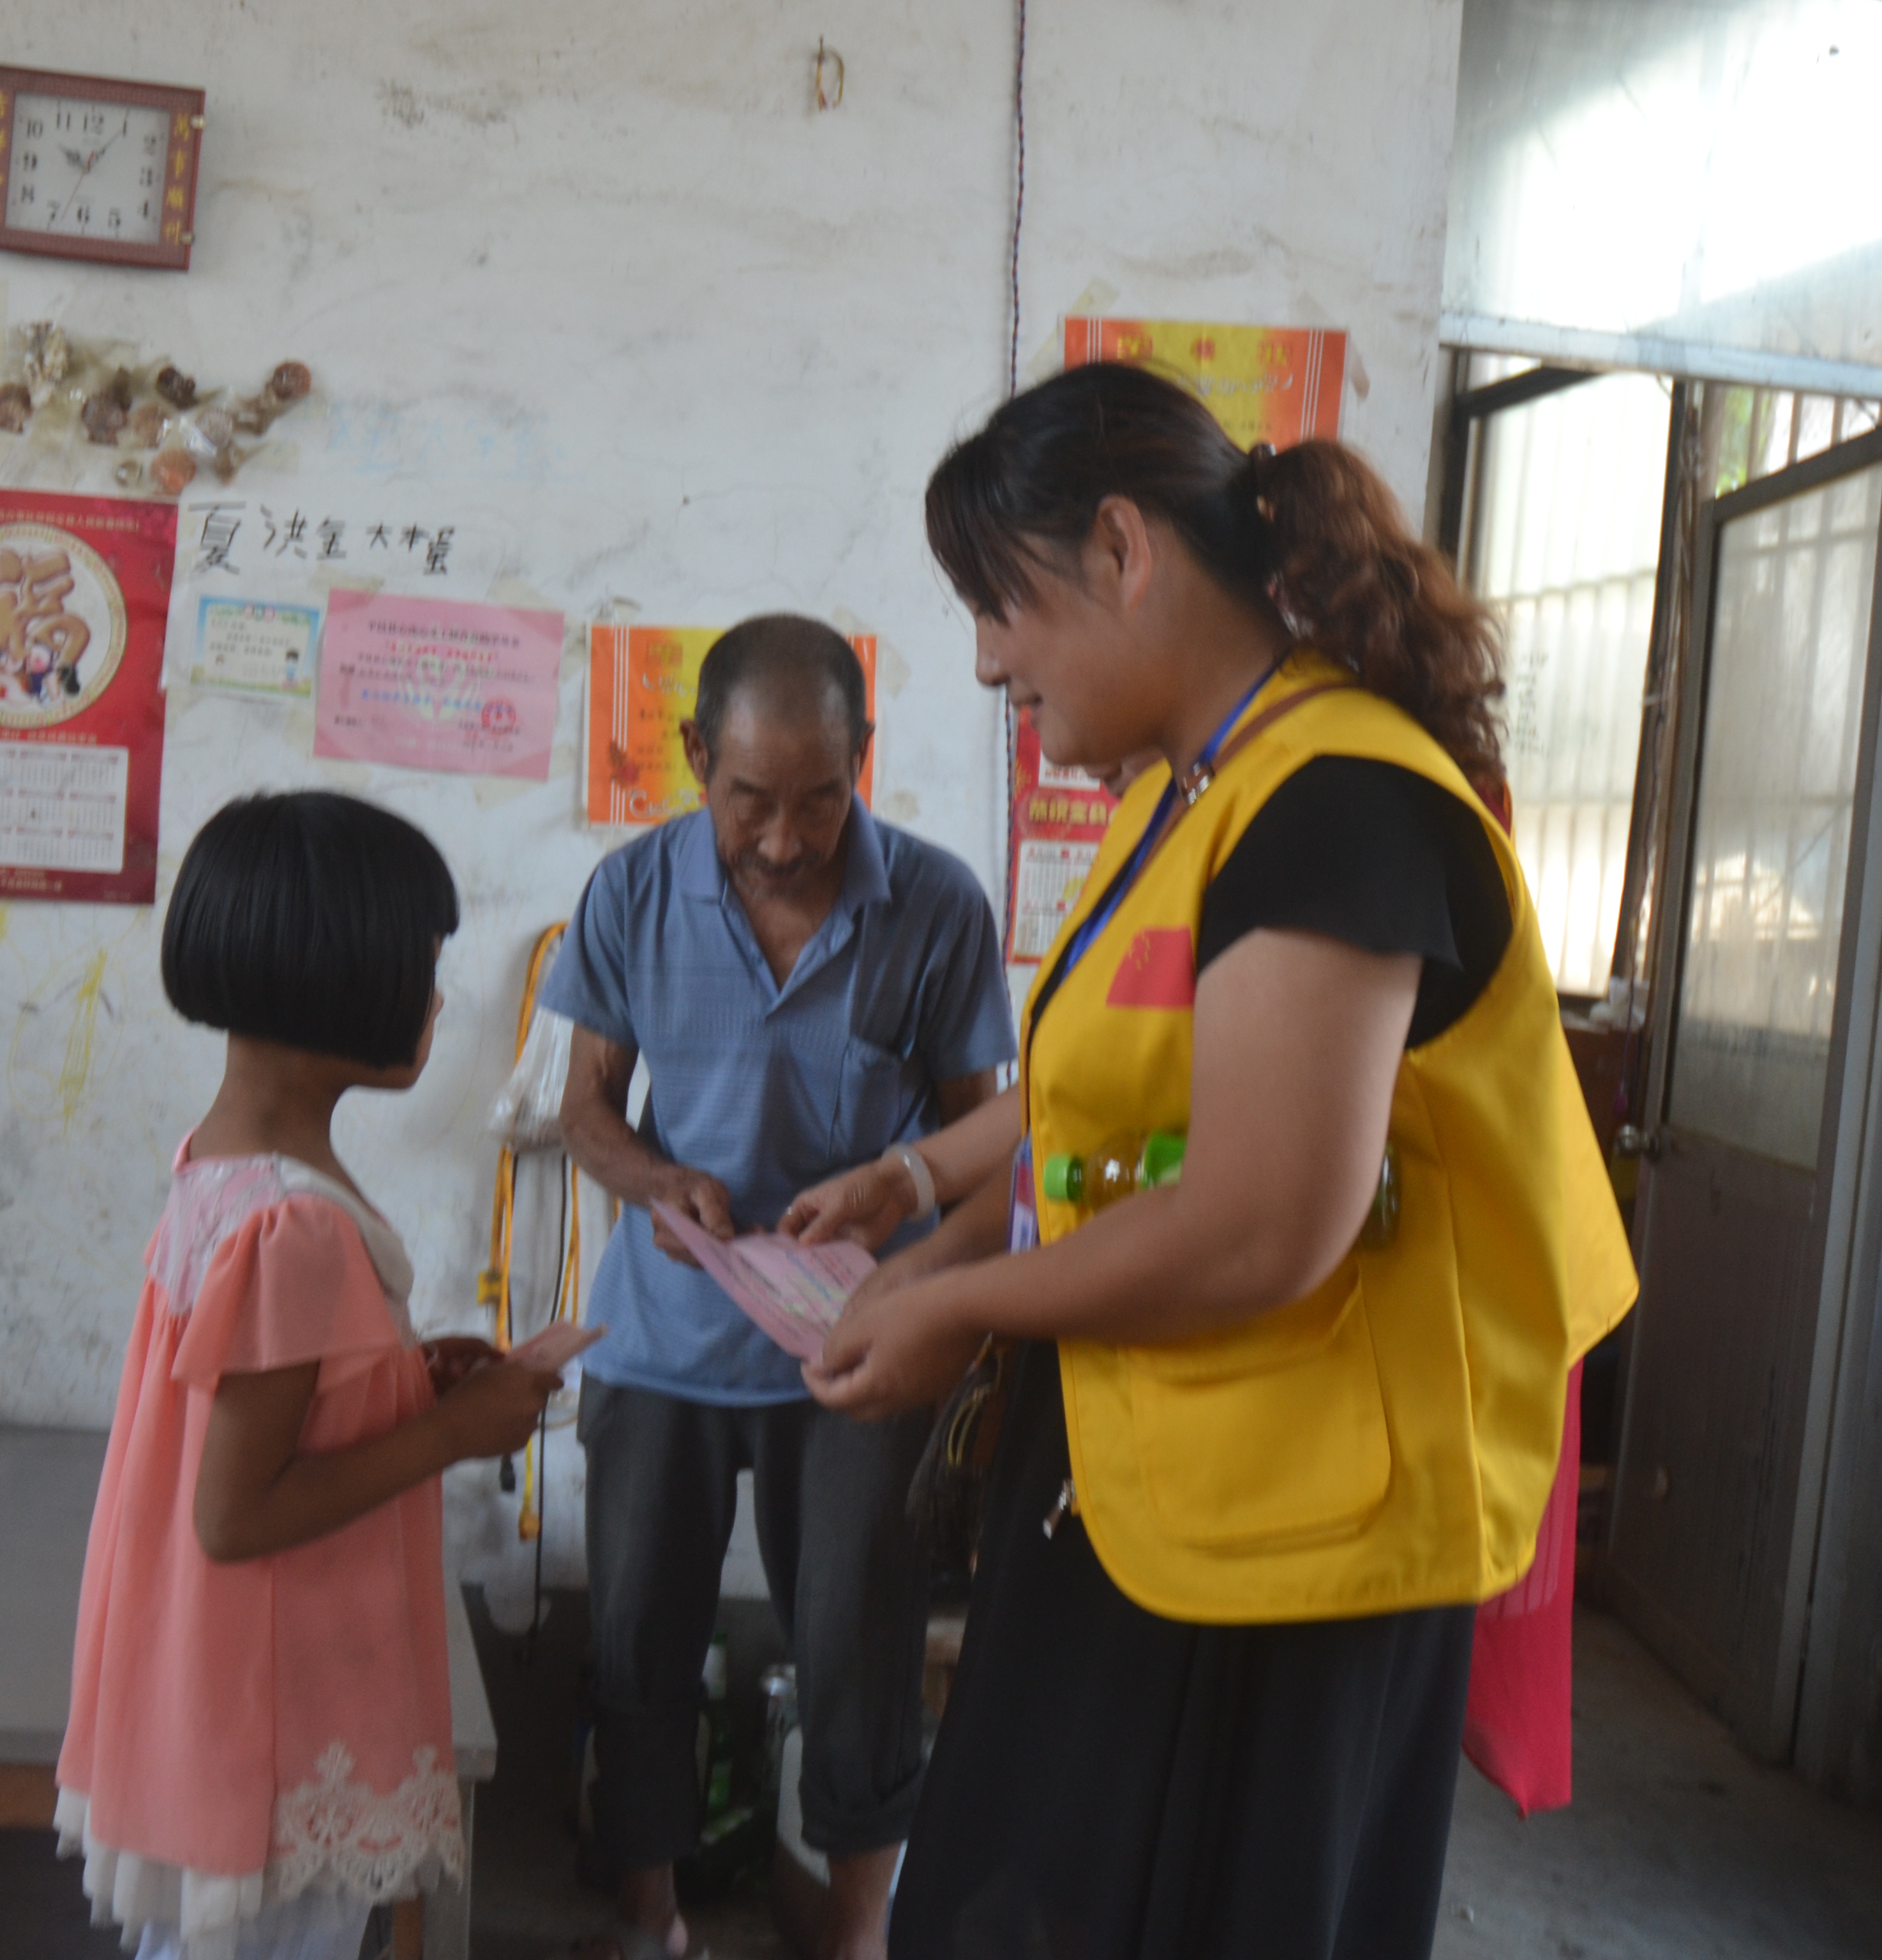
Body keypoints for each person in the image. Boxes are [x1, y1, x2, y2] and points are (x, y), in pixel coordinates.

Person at [800, 362, 1635, 1959]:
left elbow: (1264, 1221)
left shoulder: (1340, 804)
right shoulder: (1190, 796)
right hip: (1161, 1483)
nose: (986, 658)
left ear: (1122, 549)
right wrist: (931, 1228)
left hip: (1297, 1544)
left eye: (999, 603)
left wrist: (967, 1308)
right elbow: (1104, 1107)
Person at [542, 614, 1017, 1960]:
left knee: (860, 1650)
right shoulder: (631, 893)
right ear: (696, 757)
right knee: (638, 1639)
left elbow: (980, 1164)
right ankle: (652, 1918)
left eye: (822, 799)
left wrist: (916, 1308)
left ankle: (855, 1936)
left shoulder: (935, 906)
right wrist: (656, 1184)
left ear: (864, 759)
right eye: (751, 799)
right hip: (662, 1345)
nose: (788, 837)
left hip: (853, 1360)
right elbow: (584, 1111)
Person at [54, 792, 562, 1960]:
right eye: (421, 965)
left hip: (224, 1689)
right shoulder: (297, 1227)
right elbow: (236, 1512)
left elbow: (266, 1404)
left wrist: (406, 1381)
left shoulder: (220, 1177)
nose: (437, 998)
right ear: (336, 979)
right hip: (279, 1713)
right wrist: (454, 1434)